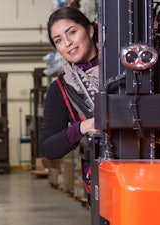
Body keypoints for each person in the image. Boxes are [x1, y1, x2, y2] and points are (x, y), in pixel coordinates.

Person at [39, 6, 99, 202]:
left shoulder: (128, 65)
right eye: (58, 40)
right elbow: (49, 148)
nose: (67, 43)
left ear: (89, 31)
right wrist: (82, 127)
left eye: (72, 32)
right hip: (103, 181)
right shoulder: (61, 89)